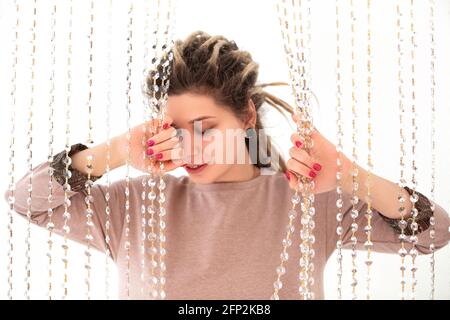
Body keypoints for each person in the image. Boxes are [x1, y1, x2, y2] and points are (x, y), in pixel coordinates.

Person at [6, 30, 450, 299]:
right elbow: (26, 201)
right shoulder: (133, 205)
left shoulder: (308, 201)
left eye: (204, 127)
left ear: (247, 118)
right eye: (176, 130)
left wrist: (352, 177)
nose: (190, 147)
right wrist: (117, 151)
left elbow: (435, 234)